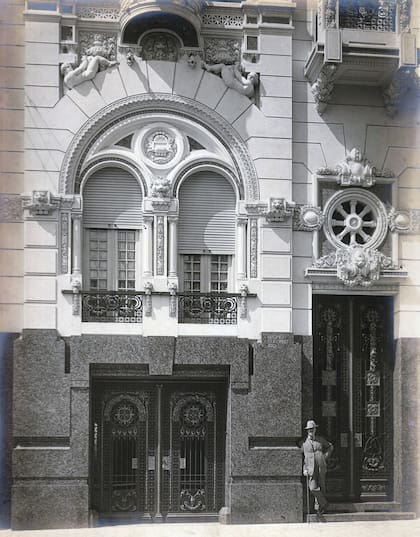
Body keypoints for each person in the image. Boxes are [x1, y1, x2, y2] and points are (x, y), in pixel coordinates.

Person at [300, 419, 333, 516]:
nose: (311, 431)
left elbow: (330, 447)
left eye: (312, 429)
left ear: (315, 429)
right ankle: (325, 503)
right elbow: (302, 457)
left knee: (322, 487)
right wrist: (304, 469)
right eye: (309, 429)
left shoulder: (320, 440)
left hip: (321, 466)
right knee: (312, 488)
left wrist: (325, 457)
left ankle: (320, 508)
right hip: (310, 468)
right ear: (307, 431)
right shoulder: (303, 443)